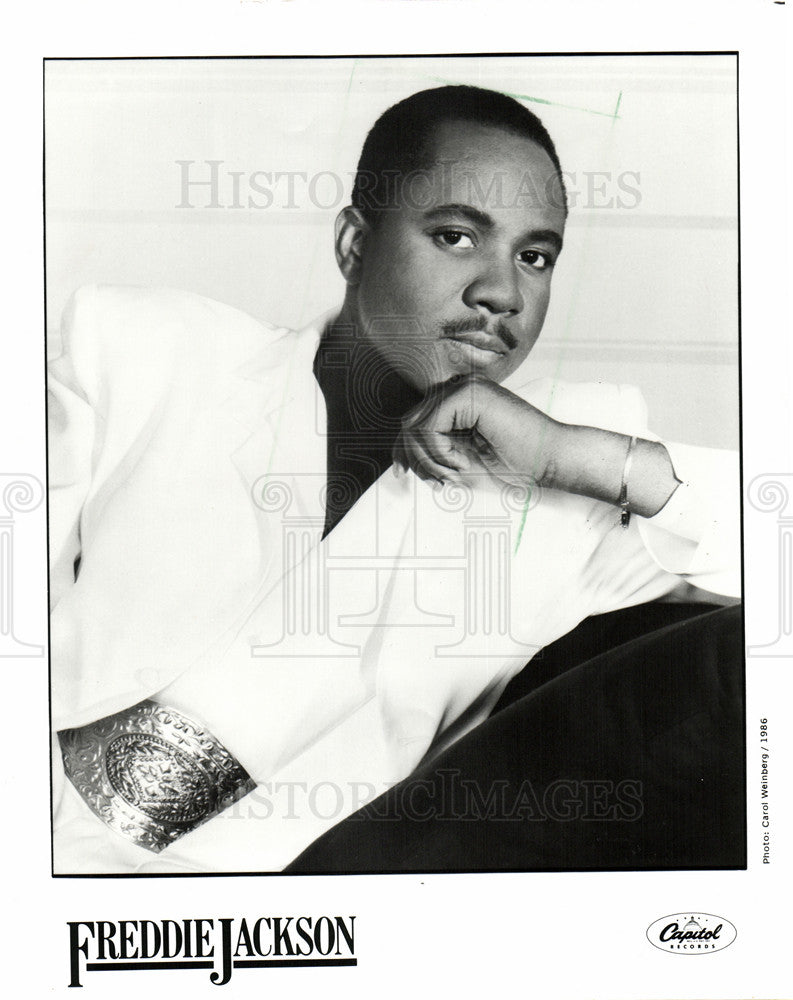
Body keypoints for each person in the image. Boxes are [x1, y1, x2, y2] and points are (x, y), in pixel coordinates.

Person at [50, 85, 741, 873]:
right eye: (454, 236)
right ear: (353, 244)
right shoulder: (142, 353)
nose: (501, 294)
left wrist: (564, 455)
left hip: (295, 922)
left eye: (534, 256)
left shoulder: (566, 485)